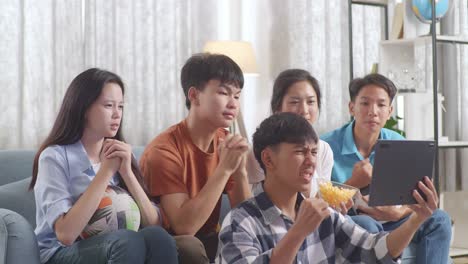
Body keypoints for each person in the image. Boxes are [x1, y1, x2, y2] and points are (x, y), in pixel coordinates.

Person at [217, 112, 442, 263]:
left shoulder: (324, 215)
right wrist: (298, 232)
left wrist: (416, 219)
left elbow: (375, 249)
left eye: (314, 152)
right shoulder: (240, 222)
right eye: (299, 152)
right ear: (268, 159)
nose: (311, 161)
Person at [31, 68, 177, 264]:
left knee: (159, 238)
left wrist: (127, 173)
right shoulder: (54, 157)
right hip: (59, 253)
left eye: (121, 106)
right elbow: (65, 234)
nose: (117, 114)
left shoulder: (121, 154)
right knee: (127, 241)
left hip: (115, 244)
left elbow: (154, 224)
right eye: (109, 105)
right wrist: (106, 171)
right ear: (83, 109)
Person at [321, 73, 452, 264]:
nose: (373, 111)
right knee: (367, 225)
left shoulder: (398, 143)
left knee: (439, 219)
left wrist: (399, 213)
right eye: (365, 103)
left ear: (389, 111)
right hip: (352, 220)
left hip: (394, 219)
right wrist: (352, 184)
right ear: (352, 107)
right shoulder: (326, 146)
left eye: (381, 105)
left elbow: (417, 199)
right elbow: (320, 203)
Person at [139, 53, 252, 263]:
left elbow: (245, 216)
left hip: (209, 239)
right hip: (169, 245)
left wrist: (241, 170)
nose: (233, 103)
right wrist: (224, 169)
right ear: (194, 95)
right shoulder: (163, 150)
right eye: (223, 93)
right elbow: (183, 227)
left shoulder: (225, 142)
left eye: (237, 96)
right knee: (189, 247)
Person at [248, 69, 334, 199]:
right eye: (294, 102)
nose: (304, 111)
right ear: (277, 108)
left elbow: (320, 201)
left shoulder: (323, 149)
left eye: (310, 102)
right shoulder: (260, 150)